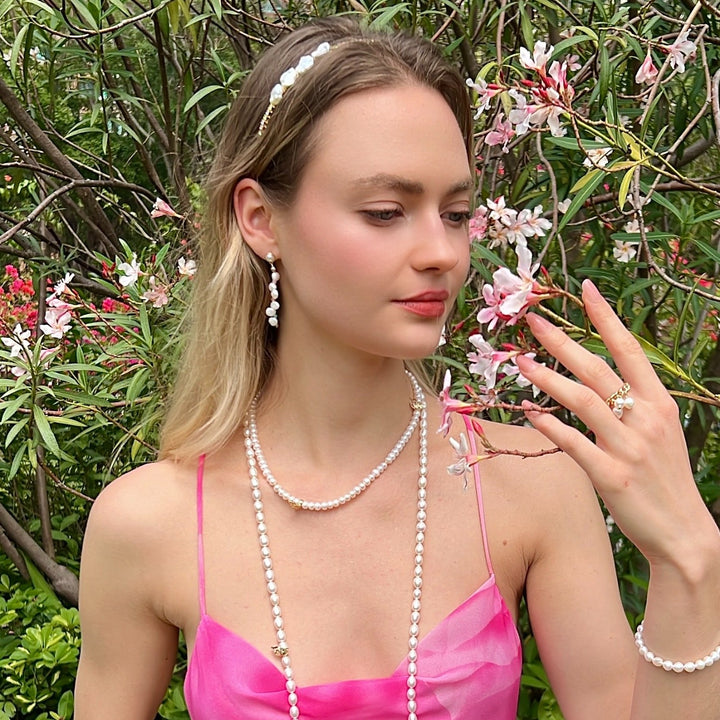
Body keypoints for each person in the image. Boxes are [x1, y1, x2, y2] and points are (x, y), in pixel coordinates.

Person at [74, 16, 720, 720]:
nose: (442, 252)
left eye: (456, 213)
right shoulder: (148, 524)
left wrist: (690, 563)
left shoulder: (530, 483)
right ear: (260, 219)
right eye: (386, 212)